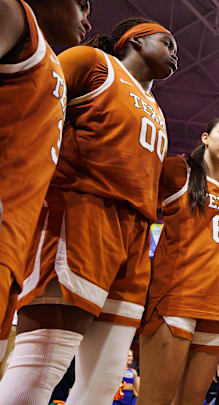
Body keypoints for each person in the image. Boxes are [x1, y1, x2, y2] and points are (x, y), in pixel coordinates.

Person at [0, 17, 178, 404]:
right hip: (80, 212)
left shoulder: (158, 111)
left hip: (135, 235)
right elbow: (35, 107)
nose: (175, 53)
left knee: (104, 379)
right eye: (167, 42)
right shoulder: (92, 62)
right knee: (42, 364)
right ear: (135, 40)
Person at [0, 0, 91, 361]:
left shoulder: (49, 62)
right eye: (80, 4)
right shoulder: (14, 14)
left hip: (13, 244)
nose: (87, 17)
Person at [136, 117, 219, 405]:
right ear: (206, 137)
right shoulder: (178, 170)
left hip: (215, 308)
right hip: (175, 298)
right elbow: (136, 196)